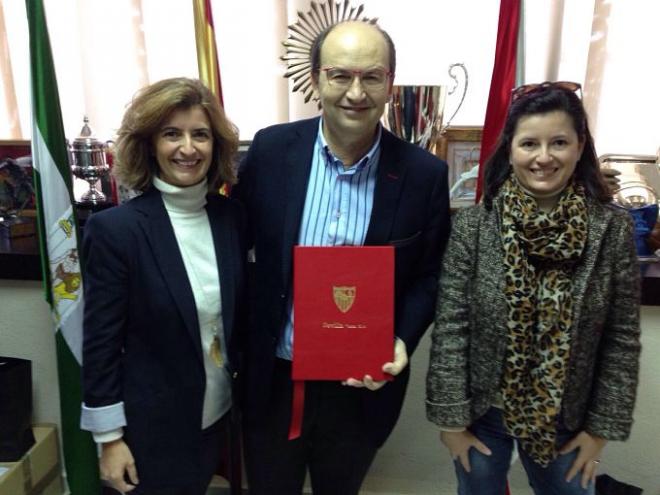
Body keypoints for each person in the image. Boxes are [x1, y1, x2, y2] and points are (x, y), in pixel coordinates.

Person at [233, 20, 450, 495]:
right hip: (273, 380)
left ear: (390, 84)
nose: (356, 92)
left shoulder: (423, 174)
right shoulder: (270, 151)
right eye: (339, 75)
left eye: (372, 76)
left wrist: (401, 339)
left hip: (360, 387)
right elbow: (234, 241)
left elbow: (431, 275)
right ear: (316, 80)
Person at [426, 81, 642, 495]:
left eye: (558, 142)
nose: (544, 157)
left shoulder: (612, 230)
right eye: (529, 144)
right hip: (484, 412)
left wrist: (600, 431)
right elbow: (452, 328)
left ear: (580, 147)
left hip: (567, 415)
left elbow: (621, 339)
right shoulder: (473, 228)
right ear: (511, 149)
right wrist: (451, 424)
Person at [80, 77, 245, 494]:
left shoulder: (232, 219)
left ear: (216, 146)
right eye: (172, 134)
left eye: (200, 135)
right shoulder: (116, 230)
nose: (188, 148)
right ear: (150, 144)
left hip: (217, 417)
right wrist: (110, 440)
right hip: (149, 432)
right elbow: (100, 343)